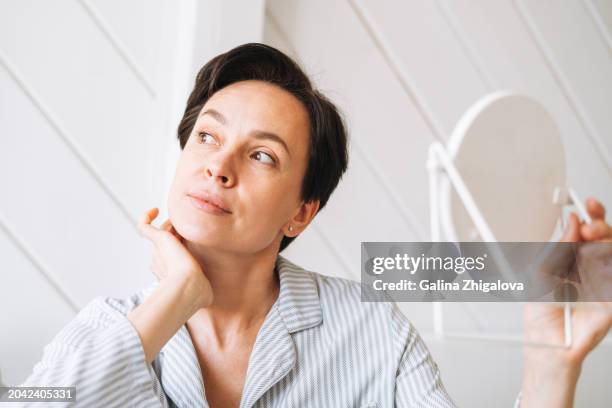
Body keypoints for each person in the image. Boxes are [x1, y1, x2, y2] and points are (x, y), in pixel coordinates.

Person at [18, 43, 612, 407]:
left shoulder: (374, 331)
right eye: (208, 136)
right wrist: (174, 298)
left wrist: (551, 362)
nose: (218, 167)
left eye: (261, 155)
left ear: (302, 211)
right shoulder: (108, 327)